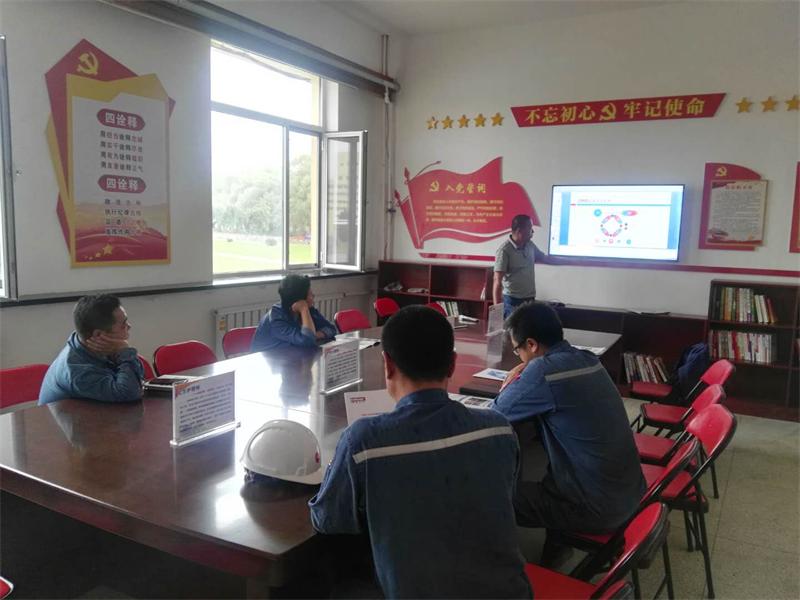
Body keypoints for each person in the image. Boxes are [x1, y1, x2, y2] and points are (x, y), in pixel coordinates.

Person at [309, 306, 531, 599]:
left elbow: (328, 520)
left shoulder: (364, 441)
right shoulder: (499, 428)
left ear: (387, 364)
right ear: (452, 364)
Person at [492, 301, 645, 536]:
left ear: (531, 344)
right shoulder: (588, 358)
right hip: (630, 495)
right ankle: (556, 547)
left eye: (517, 350)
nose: (519, 358)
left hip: (595, 508)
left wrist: (512, 380)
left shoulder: (543, 371)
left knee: (489, 495)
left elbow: (495, 414)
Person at [38, 294, 144, 405]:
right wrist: (125, 352)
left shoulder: (93, 345)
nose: (129, 326)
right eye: (123, 325)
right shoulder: (77, 372)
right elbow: (130, 393)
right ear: (98, 335)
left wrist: (124, 354)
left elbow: (137, 379)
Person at [250, 274, 337, 352]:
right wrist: (304, 310)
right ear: (300, 301)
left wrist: (315, 335)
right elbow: (308, 341)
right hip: (267, 361)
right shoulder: (277, 319)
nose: (313, 295)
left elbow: (331, 329)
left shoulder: (310, 310)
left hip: (292, 356)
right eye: (310, 294)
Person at [493, 213, 551, 318]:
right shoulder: (504, 250)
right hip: (512, 301)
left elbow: (545, 259)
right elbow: (497, 282)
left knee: (530, 327)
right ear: (519, 231)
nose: (533, 231)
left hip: (530, 299)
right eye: (530, 228)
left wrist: (571, 260)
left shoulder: (530, 245)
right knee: (514, 327)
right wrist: (497, 313)